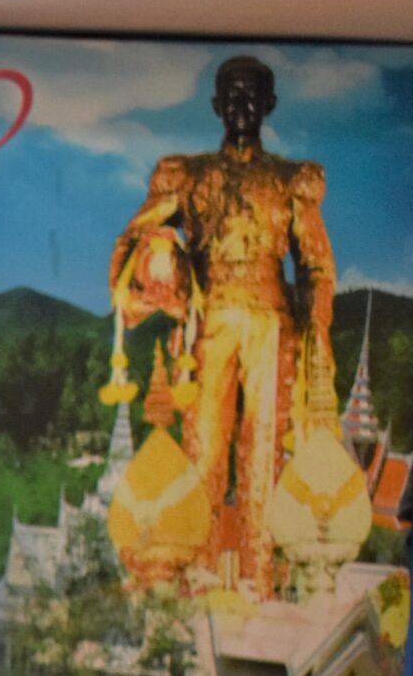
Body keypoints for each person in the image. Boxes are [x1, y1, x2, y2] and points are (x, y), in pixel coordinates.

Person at [110, 55, 337, 590]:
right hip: (208, 321)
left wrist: (316, 333)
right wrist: (159, 274)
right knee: (204, 448)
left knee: (264, 450)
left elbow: (316, 266)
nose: (241, 105)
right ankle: (198, 572)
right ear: (216, 105)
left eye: (251, 94)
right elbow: (135, 237)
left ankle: (262, 578)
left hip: (271, 323)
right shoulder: (188, 176)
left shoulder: (289, 180)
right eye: (231, 95)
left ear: (269, 105)